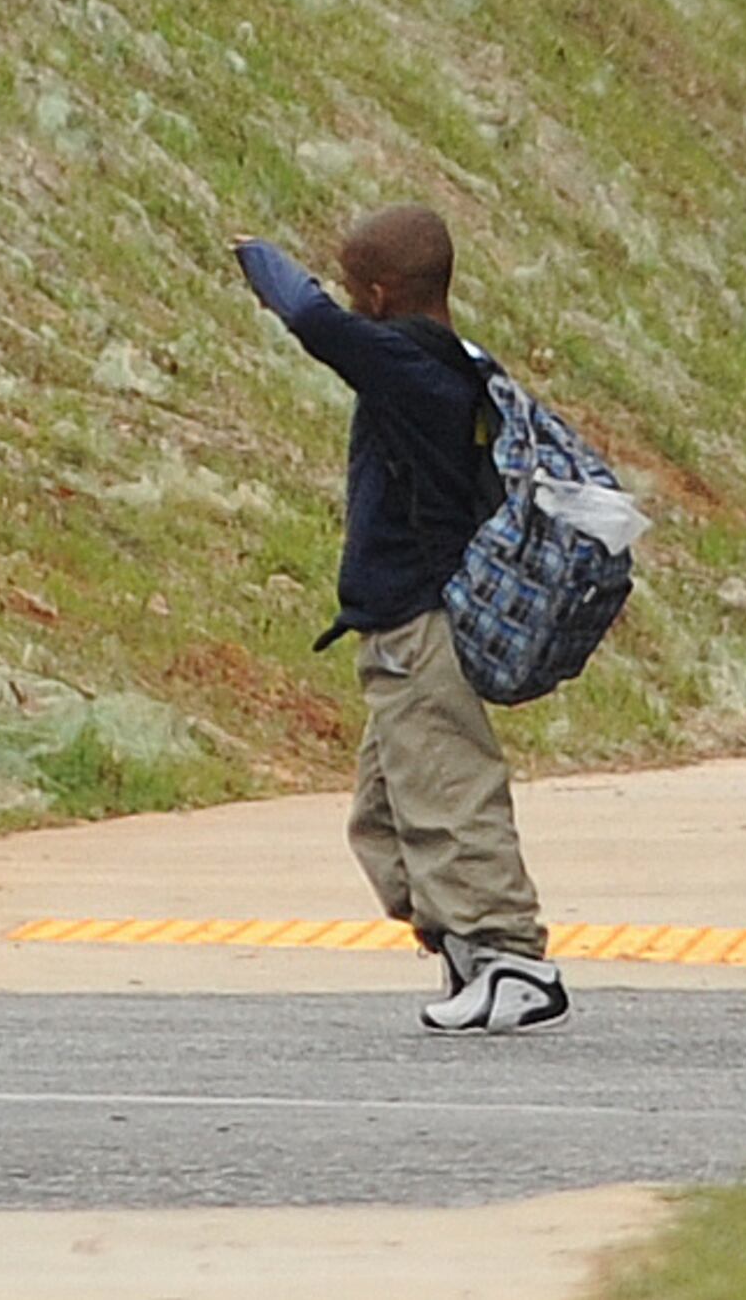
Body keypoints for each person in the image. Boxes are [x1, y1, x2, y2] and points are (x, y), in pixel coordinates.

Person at [231, 205, 566, 1034]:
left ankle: (515, 962)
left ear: (379, 296)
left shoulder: (408, 366)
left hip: (421, 627)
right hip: (399, 627)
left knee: (450, 797)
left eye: (355, 289)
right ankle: (466, 951)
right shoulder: (445, 363)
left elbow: (310, 318)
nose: (348, 302)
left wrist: (252, 252)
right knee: (384, 818)